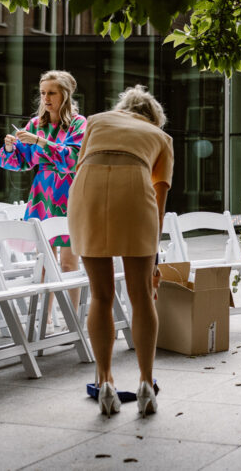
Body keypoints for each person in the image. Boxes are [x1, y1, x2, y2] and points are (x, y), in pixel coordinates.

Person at [67, 85, 173, 416]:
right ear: (154, 116)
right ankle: (145, 382)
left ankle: (106, 382)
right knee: (141, 294)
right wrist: (153, 258)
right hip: (134, 191)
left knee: (101, 295)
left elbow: (82, 164)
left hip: (87, 192)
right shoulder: (160, 137)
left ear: (122, 107)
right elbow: (160, 200)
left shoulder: (96, 121)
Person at [0, 70, 86, 315]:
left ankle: (73, 318)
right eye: (42, 93)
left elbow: (73, 159)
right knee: (45, 262)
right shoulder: (36, 125)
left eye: (51, 93)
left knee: (69, 262)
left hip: (70, 191)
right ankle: (44, 319)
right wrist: (10, 147)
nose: (46, 98)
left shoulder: (79, 123)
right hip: (42, 192)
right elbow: (19, 163)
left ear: (65, 95)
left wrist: (40, 142)